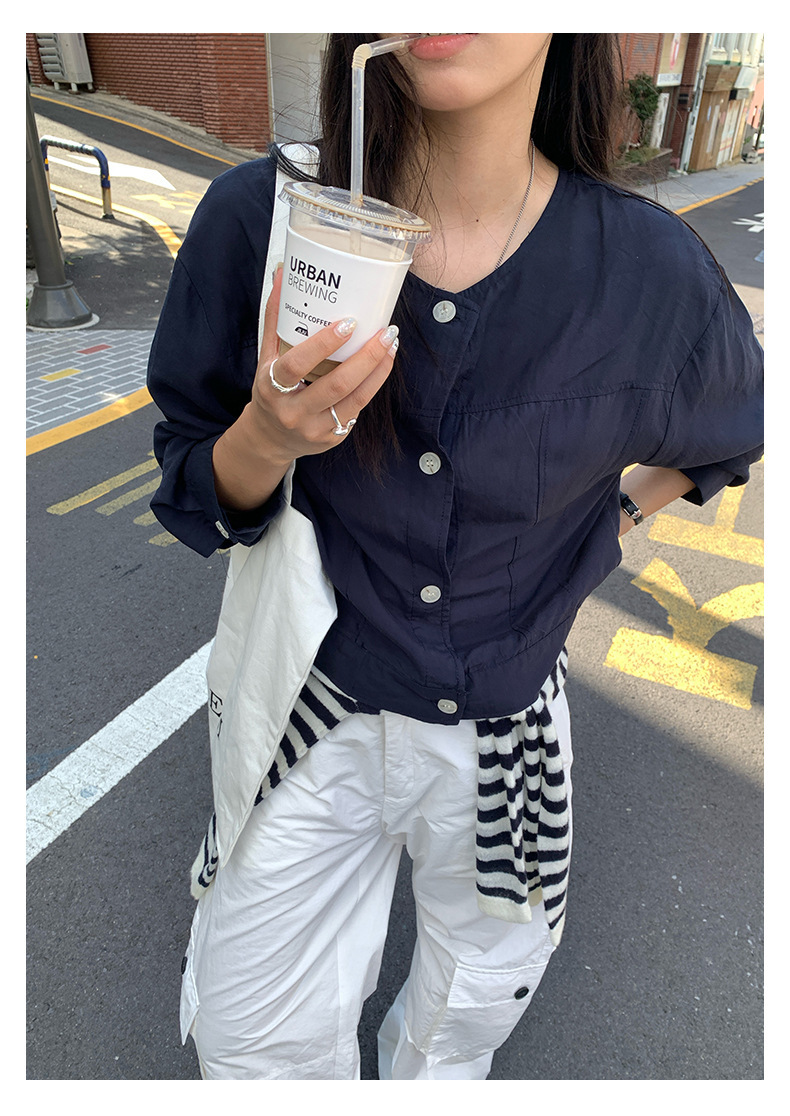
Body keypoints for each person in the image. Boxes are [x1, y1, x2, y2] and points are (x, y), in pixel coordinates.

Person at [147, 33, 763, 1080]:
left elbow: (729, 432)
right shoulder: (268, 221)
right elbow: (196, 490)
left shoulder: (648, 273)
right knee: (251, 1041)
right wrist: (268, 436)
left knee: (458, 1026)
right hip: (306, 708)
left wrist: (610, 519)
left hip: (507, 732)